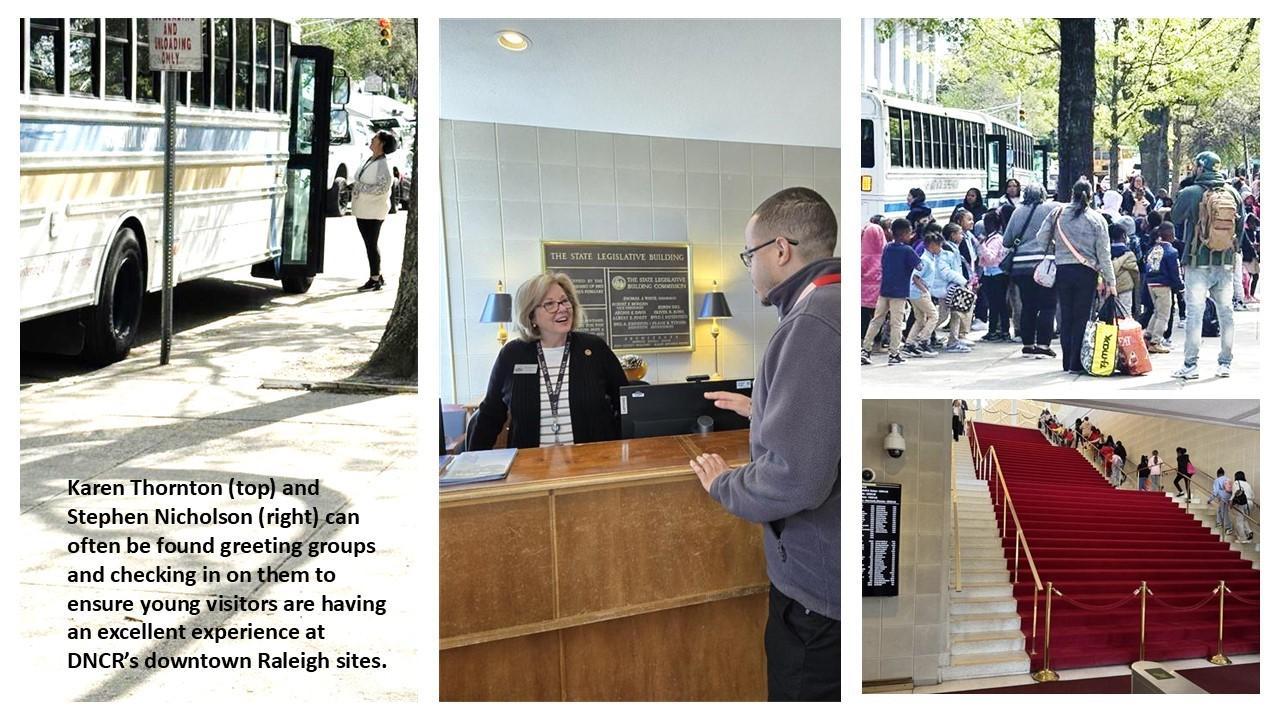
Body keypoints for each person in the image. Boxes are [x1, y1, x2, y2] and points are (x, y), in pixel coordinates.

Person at [689, 186, 840, 701]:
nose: (748, 268)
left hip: (816, 605)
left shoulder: (812, 319)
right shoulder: (832, 303)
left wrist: (723, 484)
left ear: (780, 250)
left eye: (748, 254)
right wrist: (764, 411)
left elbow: (795, 478)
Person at [468, 273, 628, 450]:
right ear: (531, 316)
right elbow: (490, 415)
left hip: (592, 460)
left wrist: (625, 452)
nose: (562, 308)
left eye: (564, 301)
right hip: (530, 463)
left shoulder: (594, 348)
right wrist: (472, 460)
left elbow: (625, 404)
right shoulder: (512, 355)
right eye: (550, 304)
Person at [1171, 151, 1244, 380]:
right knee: (1226, 313)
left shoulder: (1191, 192)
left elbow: (1175, 218)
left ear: (1200, 167)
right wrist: (1232, 252)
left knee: (1195, 314)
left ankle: (1191, 365)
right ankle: (1225, 363)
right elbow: (1240, 226)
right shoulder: (1233, 193)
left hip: (1197, 261)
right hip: (1225, 262)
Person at [1035, 179, 1117, 373]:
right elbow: (1104, 253)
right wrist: (1110, 281)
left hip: (1063, 269)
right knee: (1082, 317)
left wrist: (1057, 250)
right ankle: (1076, 362)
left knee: (1066, 315)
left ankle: (1066, 361)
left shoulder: (1058, 213)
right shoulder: (1097, 219)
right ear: (1091, 196)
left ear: (1072, 193)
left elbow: (1041, 237)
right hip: (1087, 271)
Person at [1004, 184, 1059, 358]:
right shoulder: (1052, 208)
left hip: (1021, 267)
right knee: (1048, 306)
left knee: (1028, 306)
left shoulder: (1017, 212)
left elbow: (1007, 241)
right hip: (1045, 264)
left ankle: (1027, 345)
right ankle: (1043, 345)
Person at [863, 219, 928, 366]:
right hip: (899, 293)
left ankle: (865, 350)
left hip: (884, 290)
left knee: (876, 320)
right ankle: (894, 353)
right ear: (905, 233)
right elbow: (920, 266)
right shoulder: (907, 250)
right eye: (910, 232)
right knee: (896, 323)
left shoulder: (887, 247)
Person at [351, 130, 398, 292]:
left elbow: (383, 187)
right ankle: (378, 275)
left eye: (375, 138)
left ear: (382, 143)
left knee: (371, 244)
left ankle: (375, 279)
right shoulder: (371, 159)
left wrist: (360, 187)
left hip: (373, 211)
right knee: (370, 243)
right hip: (364, 209)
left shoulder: (383, 164)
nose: (372, 139)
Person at [1143, 222, 1183, 354]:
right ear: (1172, 235)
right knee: (1164, 315)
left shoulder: (1153, 249)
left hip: (1151, 283)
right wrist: (1180, 287)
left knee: (1156, 311)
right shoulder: (1172, 252)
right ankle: (1156, 341)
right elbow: (1175, 272)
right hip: (1163, 284)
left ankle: (1147, 335)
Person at [941, 222, 977, 353]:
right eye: (960, 233)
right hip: (948, 288)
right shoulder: (947, 249)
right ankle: (921, 338)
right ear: (952, 235)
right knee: (941, 316)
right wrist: (962, 281)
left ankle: (953, 340)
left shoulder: (954, 248)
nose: (962, 236)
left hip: (955, 286)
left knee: (956, 314)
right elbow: (947, 270)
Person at [861, 216, 887, 340]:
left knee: (863, 316)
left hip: (863, 294)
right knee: (878, 317)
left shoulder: (861, 255)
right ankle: (876, 338)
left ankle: (863, 338)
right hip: (879, 293)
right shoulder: (884, 255)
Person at [1111, 224, 1140, 318]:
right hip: (1125, 288)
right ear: (1124, 236)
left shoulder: (1107, 253)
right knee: (1125, 314)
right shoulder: (1129, 255)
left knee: (1110, 315)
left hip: (1110, 288)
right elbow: (1135, 273)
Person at [1232, 471, 1255, 542]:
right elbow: (1253, 496)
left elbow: (1235, 493)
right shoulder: (1248, 484)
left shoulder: (1236, 483)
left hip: (1241, 502)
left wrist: (1231, 502)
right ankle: (1249, 531)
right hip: (1250, 503)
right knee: (1244, 519)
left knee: (1239, 521)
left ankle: (1242, 538)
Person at [1211, 467, 1233, 535]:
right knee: (1219, 510)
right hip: (1229, 497)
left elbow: (1215, 492)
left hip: (1223, 498)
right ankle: (1219, 523)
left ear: (1218, 474)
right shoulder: (1228, 479)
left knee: (1224, 513)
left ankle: (1228, 528)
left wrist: (1210, 499)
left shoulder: (1217, 480)